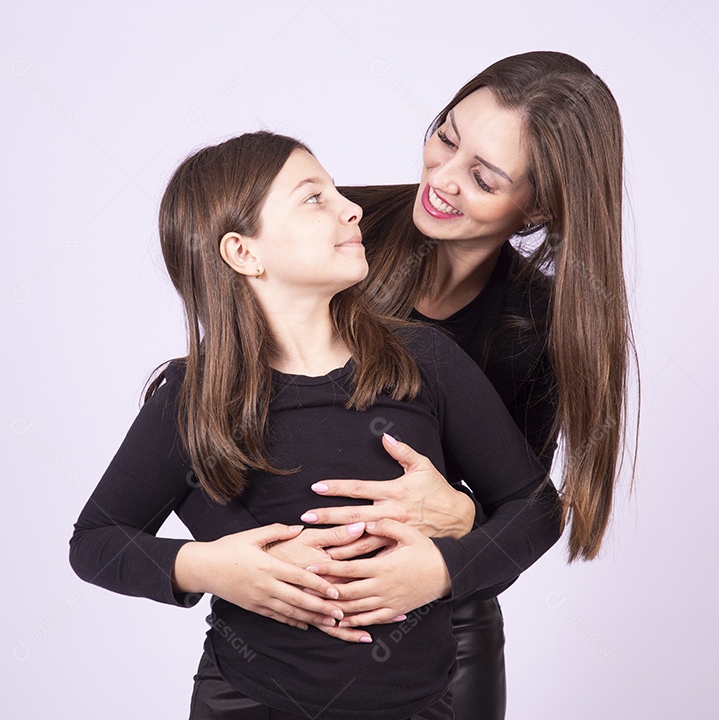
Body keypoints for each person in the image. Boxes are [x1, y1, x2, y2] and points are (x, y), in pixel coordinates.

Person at [170, 51, 636, 720]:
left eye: (483, 176)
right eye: (446, 137)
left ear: (537, 209)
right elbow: (199, 425)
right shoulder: (340, 231)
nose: (442, 178)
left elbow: (522, 508)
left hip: (446, 635)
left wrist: (462, 523)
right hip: (280, 644)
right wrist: (257, 558)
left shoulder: (539, 328)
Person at [68, 130, 555, 719]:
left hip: (421, 703)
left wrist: (443, 569)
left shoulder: (425, 361)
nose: (352, 207)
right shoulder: (191, 399)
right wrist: (211, 566)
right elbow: (96, 541)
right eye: (314, 197)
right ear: (243, 253)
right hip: (248, 701)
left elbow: (536, 508)